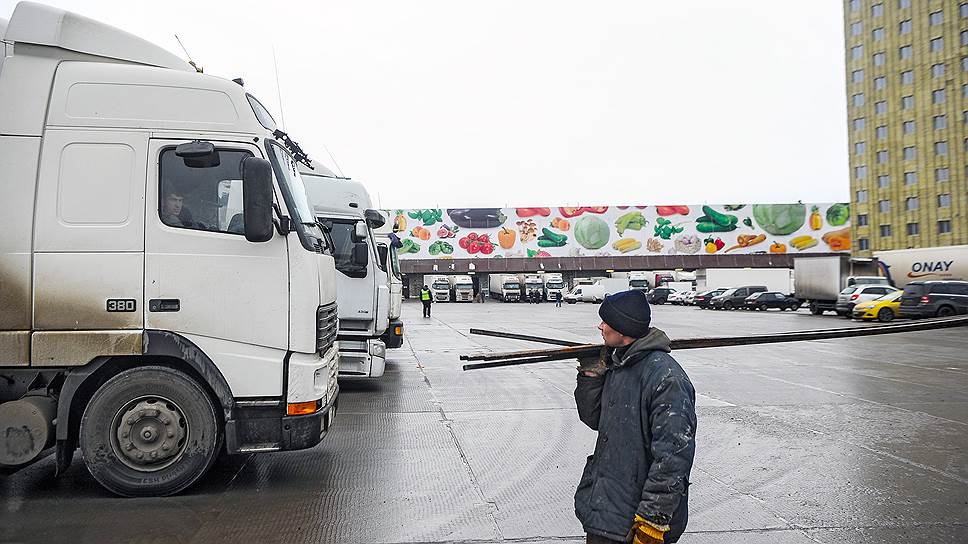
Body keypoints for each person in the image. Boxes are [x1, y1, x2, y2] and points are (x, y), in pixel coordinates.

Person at [574, 289, 696, 544]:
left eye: (606, 321)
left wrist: (652, 520)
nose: (600, 326)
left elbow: (673, 455)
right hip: (607, 510)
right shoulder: (619, 364)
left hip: (636, 519)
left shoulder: (666, 379)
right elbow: (595, 419)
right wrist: (590, 376)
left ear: (623, 328)